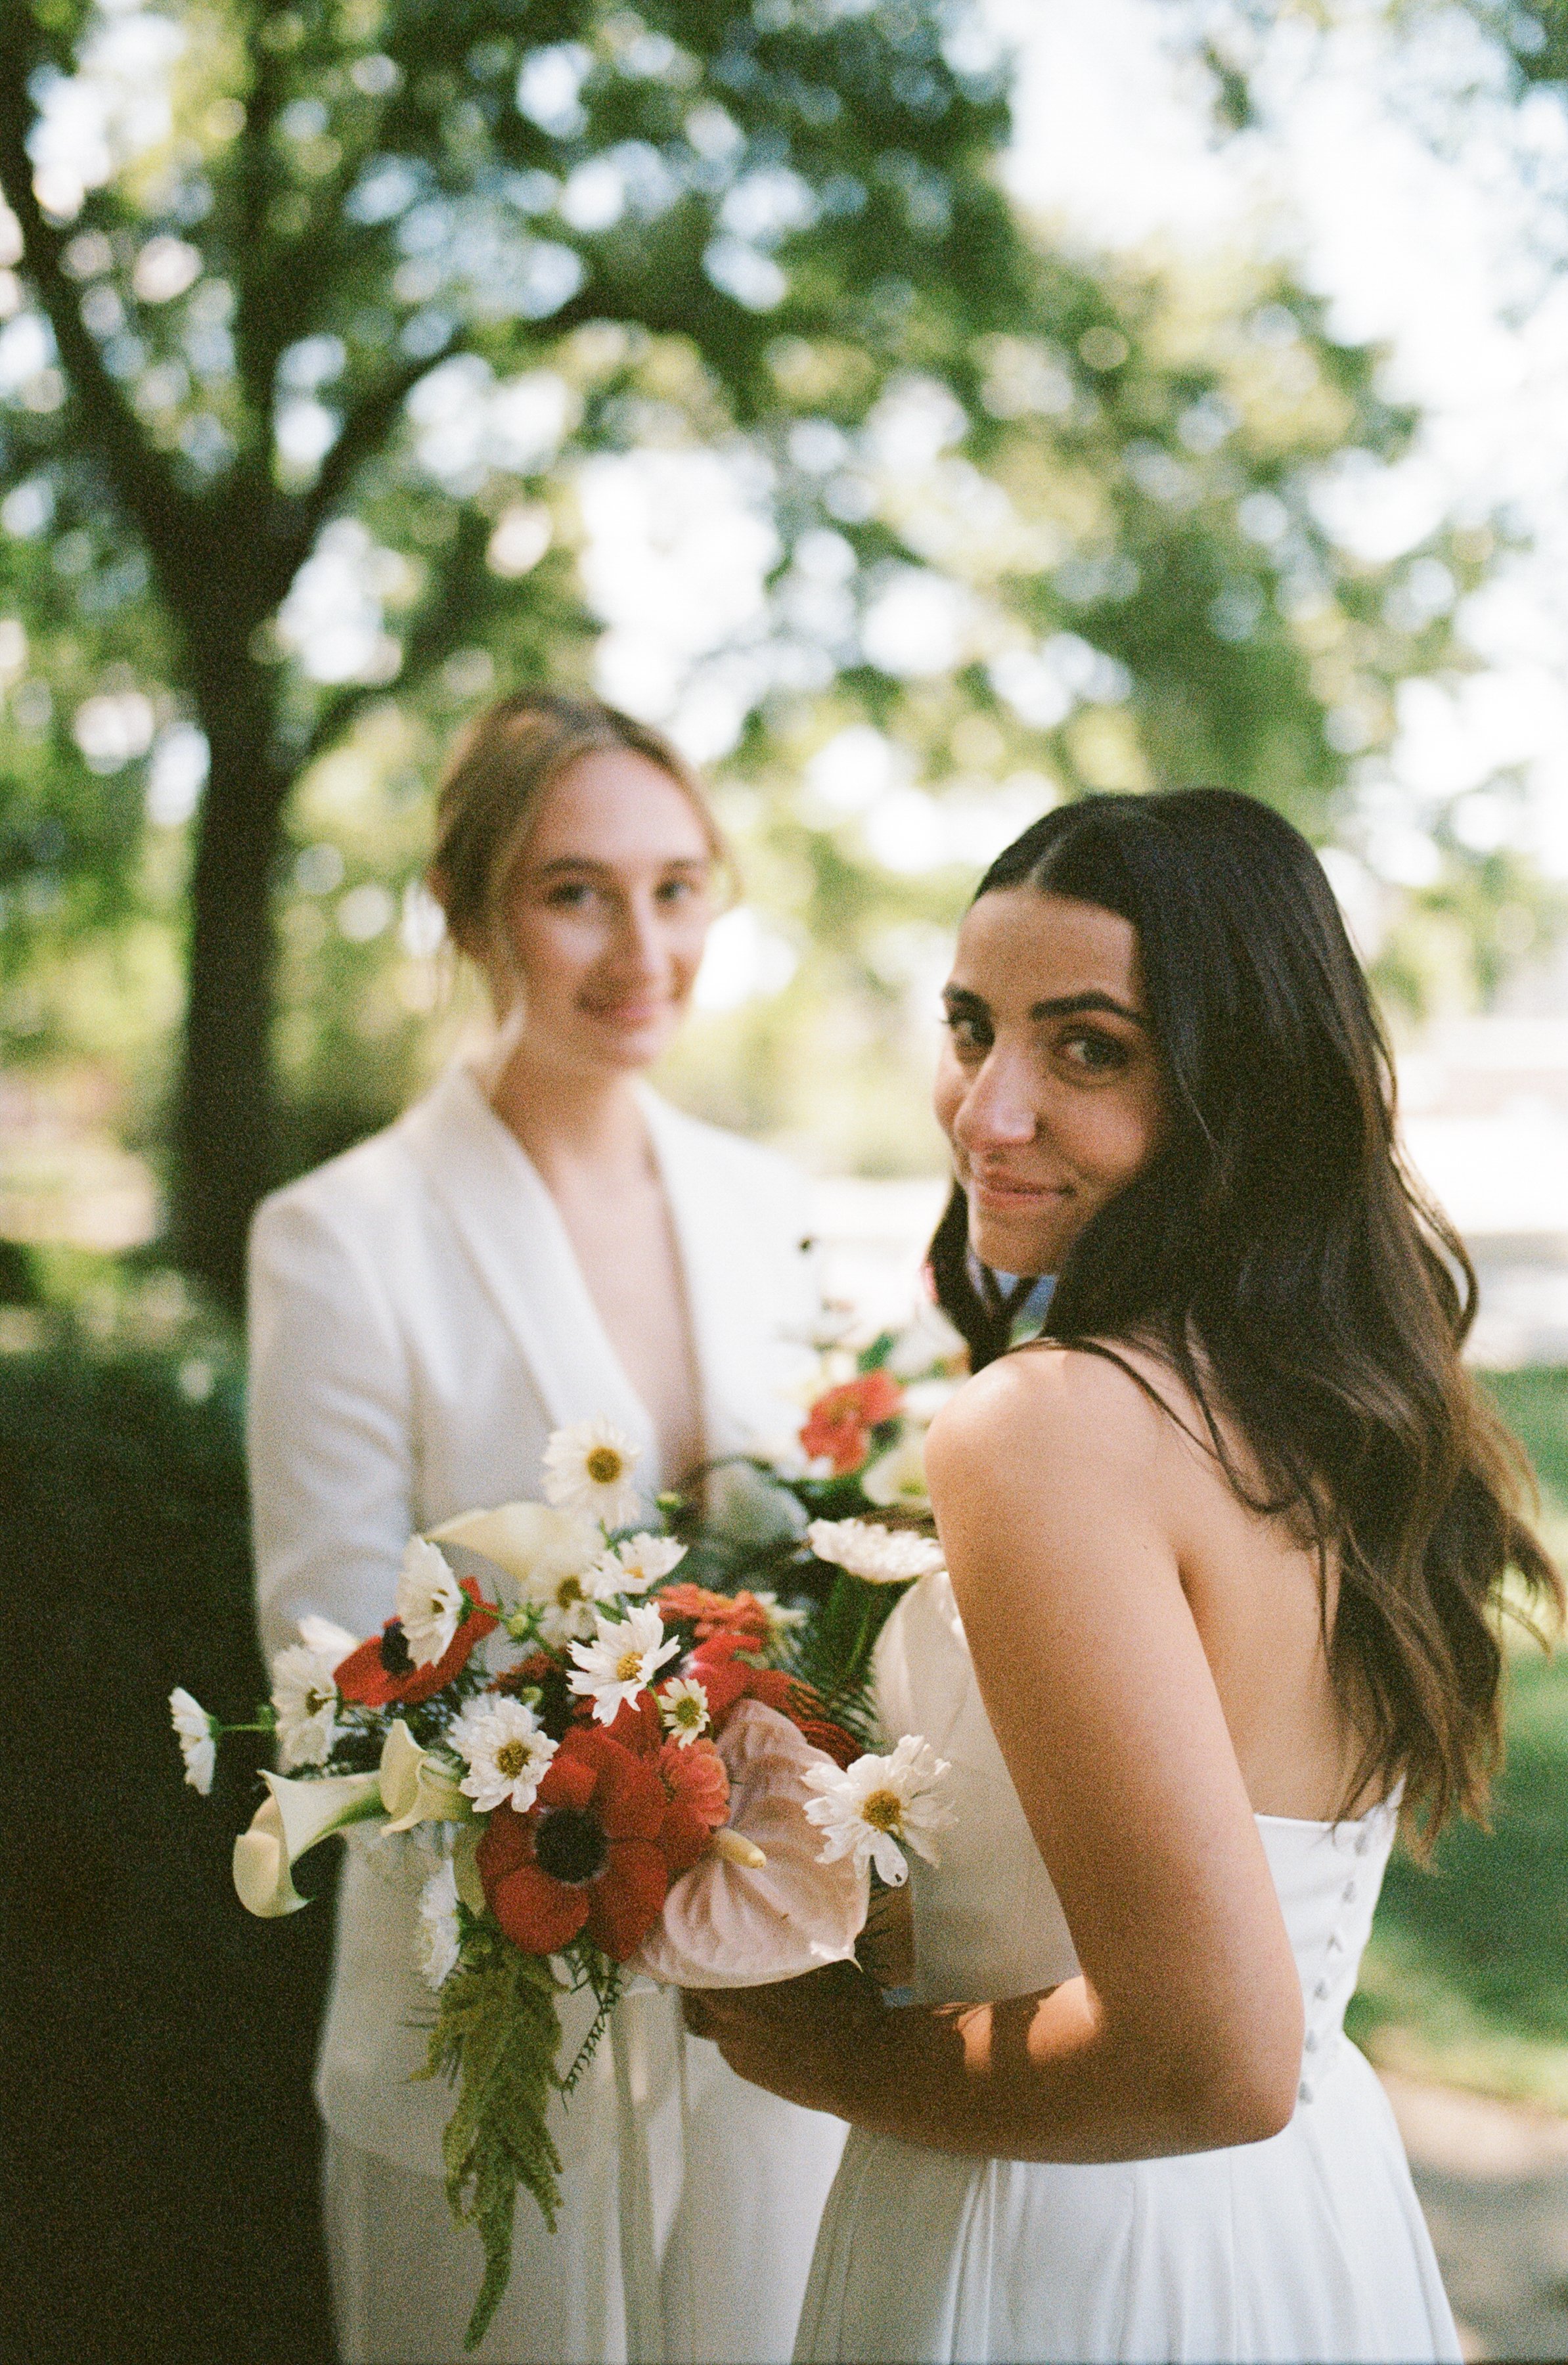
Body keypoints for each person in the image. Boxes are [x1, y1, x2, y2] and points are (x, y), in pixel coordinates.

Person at [689, 788, 1559, 2365]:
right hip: (1308, 2220)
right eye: (973, 1029)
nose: (987, 1112)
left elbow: (1210, 2056)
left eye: (1088, 1047)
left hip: (1060, 2244)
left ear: (1248, 1089)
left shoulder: (1048, 1428)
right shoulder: (1333, 1402)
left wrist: (826, 2058)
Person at [246, 692, 847, 2365]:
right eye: (575, 890)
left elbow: (821, 1566)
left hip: (768, 2003)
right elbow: (329, 1662)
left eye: (678, 888)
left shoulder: (764, 1205)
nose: (641, 945)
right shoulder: (341, 1238)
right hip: (484, 2017)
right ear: (467, 910)